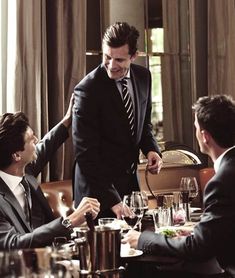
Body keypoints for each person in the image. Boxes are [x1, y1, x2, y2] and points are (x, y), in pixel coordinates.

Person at [123, 94, 235, 277]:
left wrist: (143, 239)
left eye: (196, 128)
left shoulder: (222, 181)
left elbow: (198, 249)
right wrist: (197, 232)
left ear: (205, 136)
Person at [72, 22, 162, 218]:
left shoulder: (143, 76)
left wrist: (151, 149)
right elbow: (85, 155)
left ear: (134, 56)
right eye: (107, 57)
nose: (112, 66)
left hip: (130, 188)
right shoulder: (87, 90)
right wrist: (112, 200)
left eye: (119, 59)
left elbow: (143, 124)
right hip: (95, 195)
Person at [0, 95, 100, 250]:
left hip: (52, 257)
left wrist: (67, 120)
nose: (37, 140)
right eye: (32, 139)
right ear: (16, 155)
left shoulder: (25, 170)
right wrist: (70, 221)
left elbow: (47, 145)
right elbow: (13, 243)